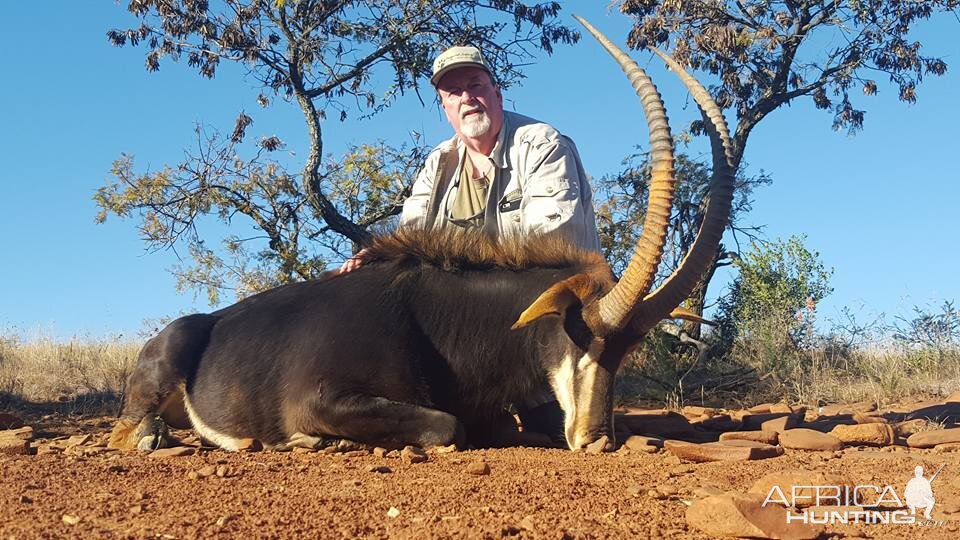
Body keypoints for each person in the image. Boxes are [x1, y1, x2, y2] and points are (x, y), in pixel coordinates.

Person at [340, 45, 601, 444]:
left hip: (546, 322)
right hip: (476, 334)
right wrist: (375, 260)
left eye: (475, 85)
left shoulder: (542, 143)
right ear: (445, 108)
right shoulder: (438, 163)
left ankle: (537, 399)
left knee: (556, 428)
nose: (467, 98)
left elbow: (547, 251)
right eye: (453, 92)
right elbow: (411, 243)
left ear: (497, 92)